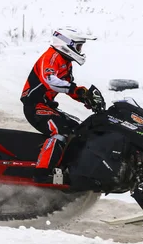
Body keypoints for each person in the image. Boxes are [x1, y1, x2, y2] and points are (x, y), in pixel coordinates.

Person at [20, 28, 98, 183]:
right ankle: (42, 173)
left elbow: (68, 86)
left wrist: (85, 97)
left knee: (79, 130)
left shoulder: (66, 62)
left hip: (47, 106)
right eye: (78, 47)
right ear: (66, 44)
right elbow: (50, 80)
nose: (80, 51)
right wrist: (75, 90)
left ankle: (67, 168)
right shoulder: (51, 57)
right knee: (60, 131)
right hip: (35, 106)